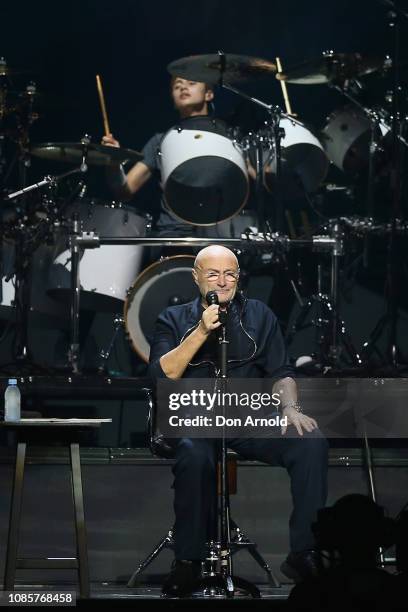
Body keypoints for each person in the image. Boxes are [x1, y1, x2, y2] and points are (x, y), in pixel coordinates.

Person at [148, 244, 329, 597]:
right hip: (194, 419)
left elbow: (281, 372)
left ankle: (303, 551)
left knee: (311, 442)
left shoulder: (259, 315)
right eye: (213, 273)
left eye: (230, 273)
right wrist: (201, 331)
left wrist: (290, 408)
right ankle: (188, 560)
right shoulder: (171, 319)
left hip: (248, 419)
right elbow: (162, 374)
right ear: (196, 277)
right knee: (194, 454)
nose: (223, 280)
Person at [102, 77, 224, 235]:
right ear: (173, 100)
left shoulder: (227, 137)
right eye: (177, 86)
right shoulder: (160, 141)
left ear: (209, 94)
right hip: (172, 235)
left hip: (218, 233)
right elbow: (125, 191)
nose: (183, 88)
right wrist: (114, 163)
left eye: (191, 83)